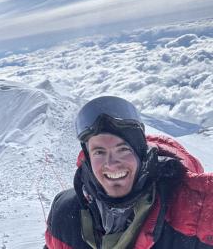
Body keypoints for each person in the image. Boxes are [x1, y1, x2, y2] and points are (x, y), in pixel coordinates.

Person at [45, 96, 213, 249]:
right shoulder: (65, 213)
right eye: (99, 152)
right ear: (88, 159)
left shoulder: (194, 213)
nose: (111, 164)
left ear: (141, 154)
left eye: (123, 149)